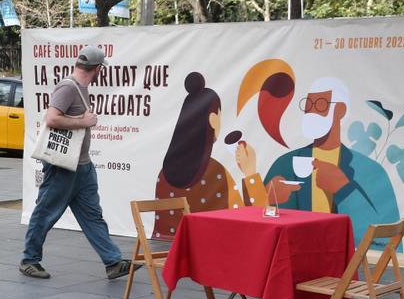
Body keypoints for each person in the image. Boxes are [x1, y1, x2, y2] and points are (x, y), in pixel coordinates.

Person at [20, 46, 131, 281]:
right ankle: (29, 260)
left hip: (82, 166)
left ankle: (113, 262)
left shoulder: (80, 87)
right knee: (45, 212)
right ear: (98, 68)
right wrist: (83, 121)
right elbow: (52, 118)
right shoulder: (68, 87)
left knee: (92, 215)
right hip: (63, 167)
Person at [262, 77, 399, 242]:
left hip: (340, 249)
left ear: (340, 110)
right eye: (308, 106)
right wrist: (268, 199)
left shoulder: (370, 170)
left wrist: (344, 190)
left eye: (320, 104)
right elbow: (259, 222)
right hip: (297, 249)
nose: (312, 112)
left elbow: (386, 235)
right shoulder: (285, 163)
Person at [151, 73, 267, 238]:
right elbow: (253, 221)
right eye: (219, 115)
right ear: (212, 119)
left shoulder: (164, 174)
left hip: (174, 251)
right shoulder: (216, 173)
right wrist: (250, 174)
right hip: (216, 248)